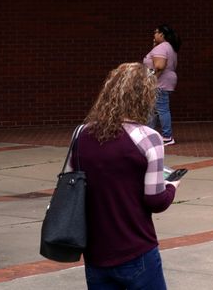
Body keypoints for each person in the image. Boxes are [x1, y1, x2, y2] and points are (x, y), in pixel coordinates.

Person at [72, 62, 181, 289]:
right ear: (144, 97)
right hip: (136, 249)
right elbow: (155, 200)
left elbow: (72, 185)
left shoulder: (80, 134)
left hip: (95, 252)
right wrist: (172, 186)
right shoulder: (148, 138)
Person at [143, 24, 180, 146]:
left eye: (155, 32)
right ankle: (150, 134)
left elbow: (159, 66)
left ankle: (167, 136)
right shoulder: (168, 47)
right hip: (165, 81)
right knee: (153, 110)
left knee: (161, 109)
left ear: (161, 34)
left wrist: (152, 79)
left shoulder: (162, 47)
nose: (154, 35)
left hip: (160, 83)